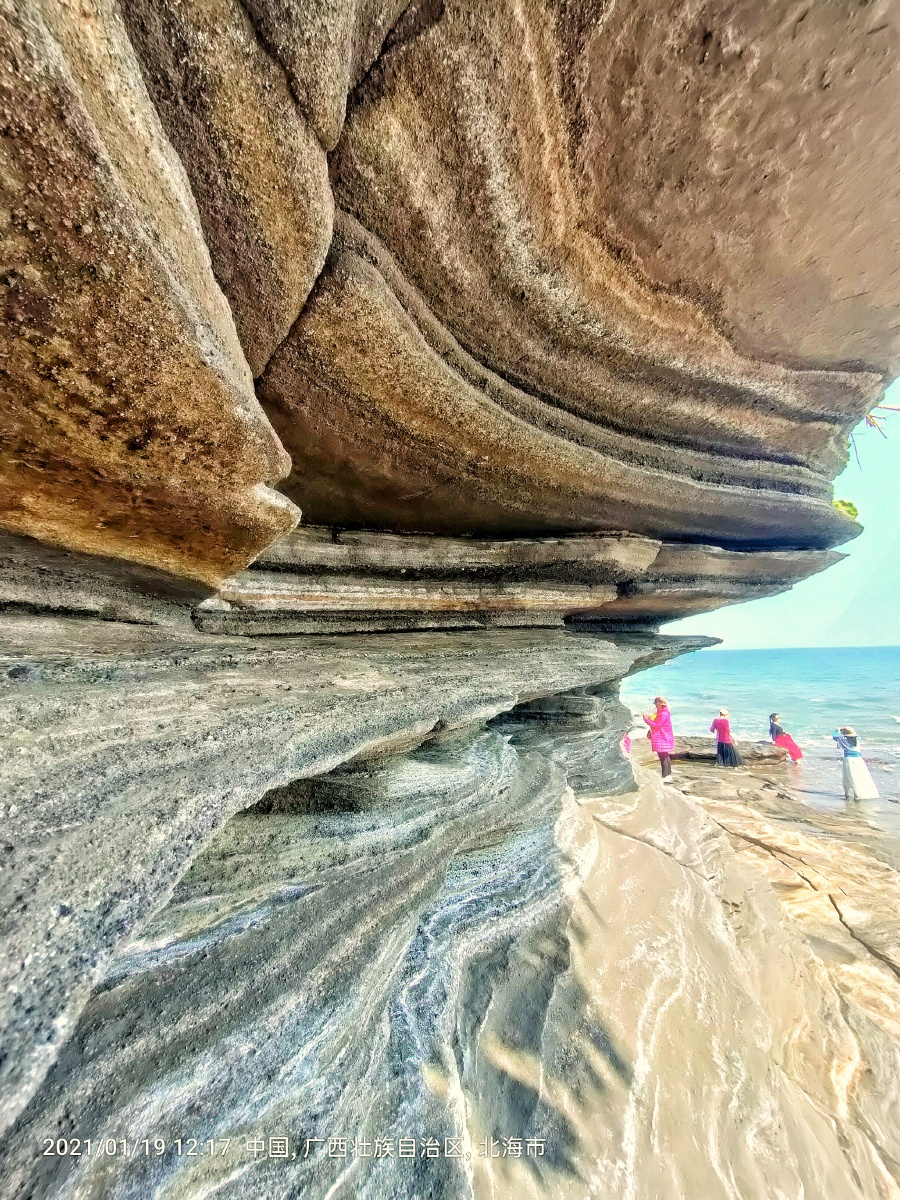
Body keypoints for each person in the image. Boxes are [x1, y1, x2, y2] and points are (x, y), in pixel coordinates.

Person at [833, 726, 879, 800]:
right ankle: (856, 795)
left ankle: (847, 794)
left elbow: (835, 737)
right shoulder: (857, 739)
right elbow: (855, 735)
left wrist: (837, 731)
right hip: (858, 759)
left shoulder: (843, 739)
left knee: (848, 776)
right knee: (857, 776)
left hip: (848, 759)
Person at [643, 696, 675, 782]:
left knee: (663, 756)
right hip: (663, 736)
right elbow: (656, 720)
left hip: (662, 737)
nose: (655, 705)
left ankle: (665, 776)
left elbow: (657, 725)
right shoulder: (662, 712)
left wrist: (646, 720)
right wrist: (649, 717)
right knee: (665, 755)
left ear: (660, 704)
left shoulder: (663, 714)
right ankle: (668, 775)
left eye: (656, 704)